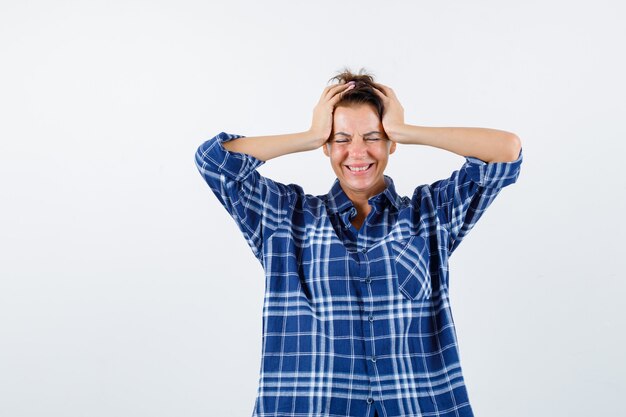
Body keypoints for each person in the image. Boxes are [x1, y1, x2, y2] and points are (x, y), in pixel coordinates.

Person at [194, 70, 523, 417]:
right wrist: (309, 135)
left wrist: (407, 130)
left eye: (373, 137)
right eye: (341, 139)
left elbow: (507, 152)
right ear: (326, 145)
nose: (357, 152)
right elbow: (213, 162)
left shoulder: (430, 215)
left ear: (390, 143)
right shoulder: (284, 218)